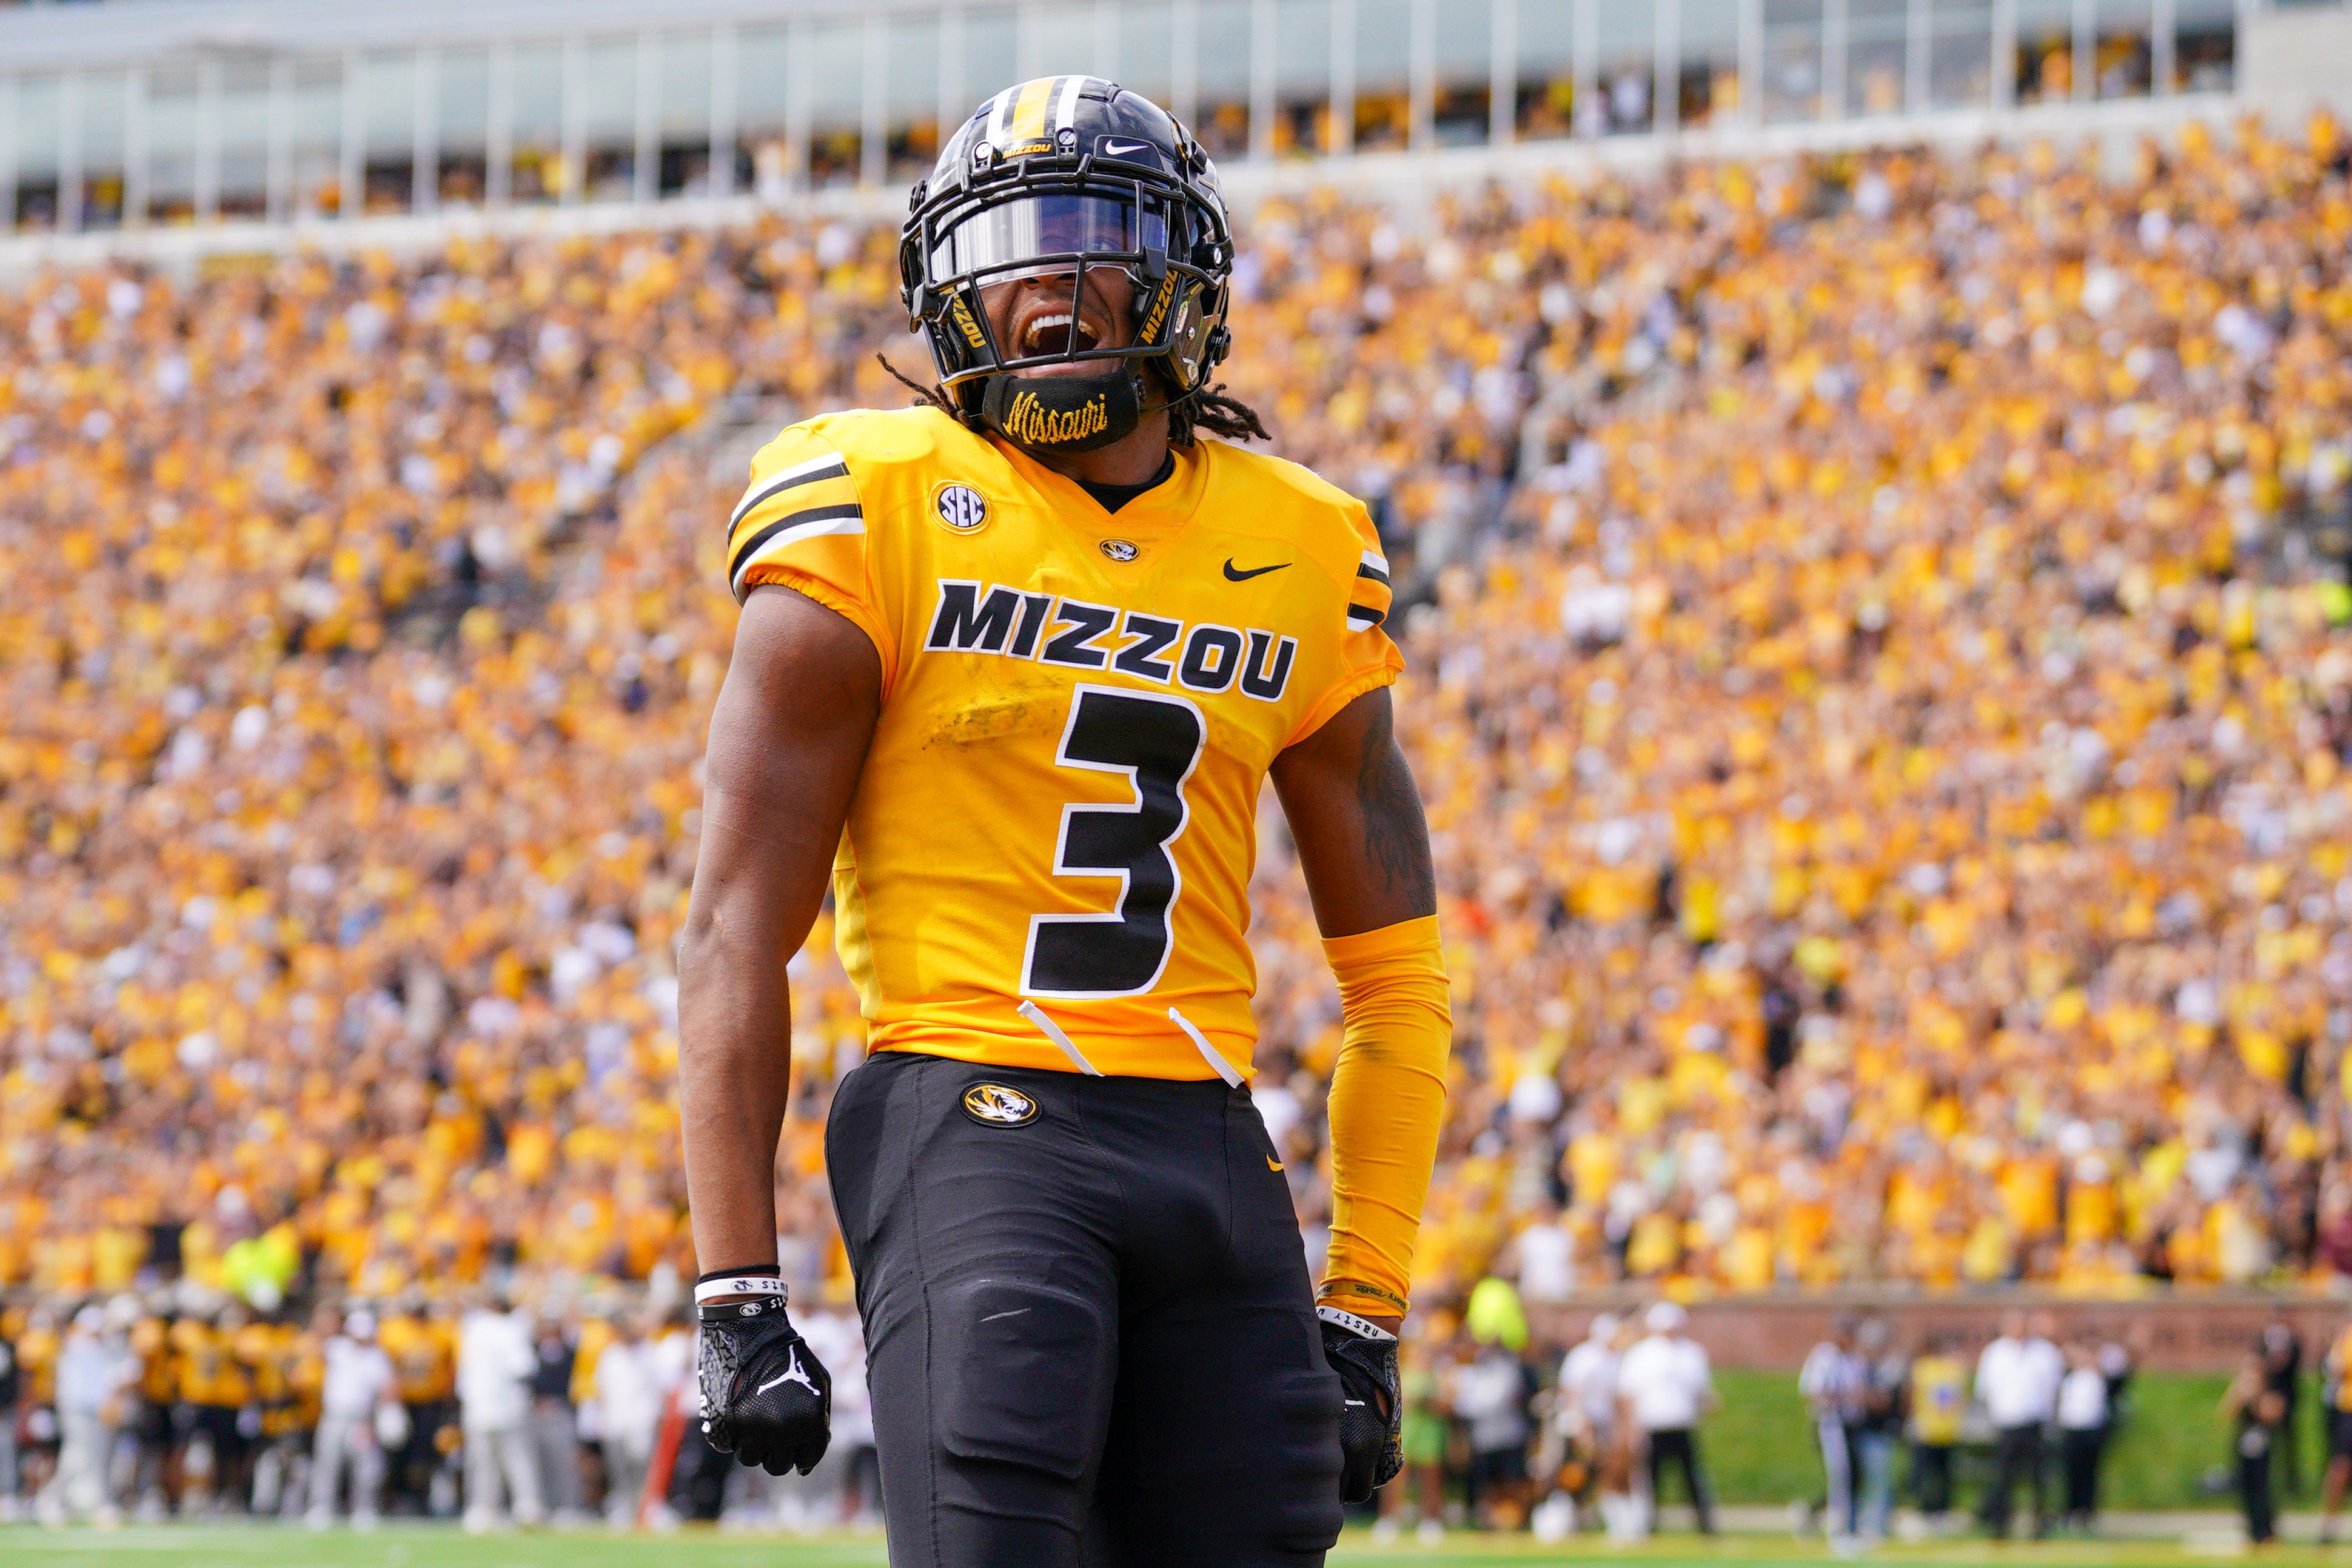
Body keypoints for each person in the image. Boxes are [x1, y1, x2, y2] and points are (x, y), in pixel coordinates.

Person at [678, 73, 1450, 1568]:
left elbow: (1399, 982)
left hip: (1216, 1149)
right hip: (971, 1117)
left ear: (1184, 273)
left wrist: (1361, 1302)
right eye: (1008, 240)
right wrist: (735, 1289)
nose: (1042, 277)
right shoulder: (872, 496)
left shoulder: (1302, 542)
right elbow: (729, 930)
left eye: (1087, 229)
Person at [1617, 1302, 1715, 1535]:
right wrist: (1629, 1425)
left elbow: (1701, 1390)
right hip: (1652, 1424)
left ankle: (1705, 1524)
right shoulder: (1642, 1353)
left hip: (1682, 1423)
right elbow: (1628, 1393)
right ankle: (1648, 1525)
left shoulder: (1692, 1352)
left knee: (1691, 1478)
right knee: (1651, 1480)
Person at [456, 1291, 543, 1532]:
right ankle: (527, 1508)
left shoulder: (473, 1329)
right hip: (508, 1406)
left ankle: (482, 1511)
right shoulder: (511, 1330)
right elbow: (523, 1368)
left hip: (477, 1406)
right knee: (518, 1460)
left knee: (483, 1462)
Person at [1975, 1309, 2063, 1538]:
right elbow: (1984, 1389)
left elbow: (2055, 1388)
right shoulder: (1994, 1353)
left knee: (2038, 1478)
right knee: (2004, 1478)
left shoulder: (2045, 1353)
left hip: (2035, 1423)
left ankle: (2039, 1525)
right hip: (2006, 1423)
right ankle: (2000, 1526)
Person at [308, 1307, 396, 1532]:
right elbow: (316, 1344)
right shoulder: (337, 1348)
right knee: (327, 1464)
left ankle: (364, 1510)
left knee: (366, 1468)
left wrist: (387, 1412)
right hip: (335, 1416)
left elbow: (387, 1387)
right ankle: (322, 1508)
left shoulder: (377, 1356)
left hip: (362, 1420)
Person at [41, 1305, 129, 1526]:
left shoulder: (109, 1348)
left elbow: (124, 1372)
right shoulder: (76, 1345)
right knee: (78, 1455)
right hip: (77, 1408)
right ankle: (52, 1499)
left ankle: (102, 1504)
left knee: (102, 1458)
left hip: (101, 1409)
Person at [1798, 1317, 1865, 1540]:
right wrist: (1847, 1397)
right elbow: (1815, 1392)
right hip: (1830, 1424)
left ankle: (1820, 1514)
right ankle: (1838, 1527)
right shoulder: (1825, 1356)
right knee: (1840, 1476)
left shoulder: (1853, 1359)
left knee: (1852, 1476)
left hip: (1850, 1425)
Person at [526, 1310, 584, 1525]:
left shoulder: (567, 1351)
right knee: (539, 1464)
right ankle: (545, 1506)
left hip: (561, 1411)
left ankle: (567, 1506)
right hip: (537, 1413)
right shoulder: (533, 1349)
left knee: (564, 1464)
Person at [2223, 1347, 2286, 1546]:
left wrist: (2256, 1399)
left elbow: (2272, 1415)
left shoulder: (2269, 1391)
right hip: (2244, 1446)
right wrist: (2241, 1393)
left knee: (2262, 1488)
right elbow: (2227, 1412)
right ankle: (2252, 1530)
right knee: (2246, 1488)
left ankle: (2266, 1531)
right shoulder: (2242, 1391)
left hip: (2261, 1446)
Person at [1853, 1318, 1908, 1543]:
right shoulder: (1858, 1364)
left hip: (1881, 1430)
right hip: (1858, 1428)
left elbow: (1884, 1399)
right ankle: (1859, 1524)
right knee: (1857, 1480)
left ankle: (1876, 1526)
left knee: (1879, 1480)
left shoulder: (1891, 1364)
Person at [1907, 1332, 1968, 1521]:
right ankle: (1922, 1509)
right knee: (1923, 1474)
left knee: (1944, 1475)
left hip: (1948, 1431)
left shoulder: (1954, 1369)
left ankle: (1942, 1510)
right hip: (1927, 1430)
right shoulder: (1924, 1368)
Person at [2056, 1335, 2109, 1534]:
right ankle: (2071, 1511)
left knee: (2089, 1474)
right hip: (2072, 1430)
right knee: (2072, 1474)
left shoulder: (2099, 1378)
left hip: (2092, 1431)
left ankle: (2087, 1513)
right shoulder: (2069, 1378)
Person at [2262, 1317, 2303, 1498]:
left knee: (2288, 1443)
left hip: (2286, 1398)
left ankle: (2291, 1481)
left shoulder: (2293, 1342)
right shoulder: (2263, 1340)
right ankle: (2266, 1479)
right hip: (2269, 1397)